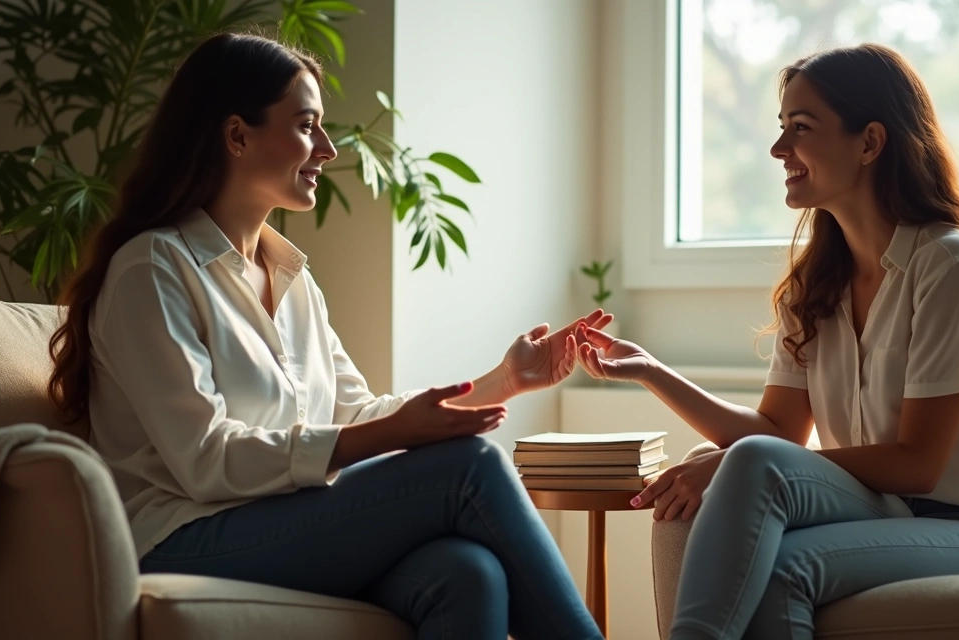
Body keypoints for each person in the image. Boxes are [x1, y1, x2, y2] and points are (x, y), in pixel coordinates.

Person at [47, 32, 607, 640]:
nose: (329, 149)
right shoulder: (153, 269)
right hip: (182, 535)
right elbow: (205, 460)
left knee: (468, 572)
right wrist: (377, 436)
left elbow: (357, 412)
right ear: (237, 136)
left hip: (280, 521)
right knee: (469, 469)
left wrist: (506, 380)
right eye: (308, 125)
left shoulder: (293, 280)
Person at [574, 44, 959, 640]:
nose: (780, 150)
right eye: (781, 129)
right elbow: (777, 433)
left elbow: (919, 464)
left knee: (769, 530)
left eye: (800, 129)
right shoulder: (816, 282)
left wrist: (737, 465)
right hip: (890, 510)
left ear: (869, 142)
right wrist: (652, 371)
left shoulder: (948, 264)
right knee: (754, 509)